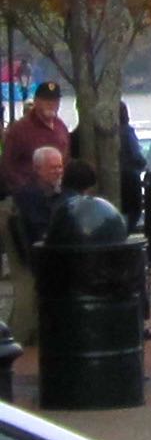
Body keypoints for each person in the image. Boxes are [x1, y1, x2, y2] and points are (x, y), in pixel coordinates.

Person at [7, 145, 66, 351]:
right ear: (38, 169)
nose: (58, 171)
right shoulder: (30, 196)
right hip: (35, 254)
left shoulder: (50, 192)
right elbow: (39, 230)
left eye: (60, 167)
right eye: (53, 168)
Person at [2, 81, 71, 195]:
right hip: (28, 195)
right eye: (46, 101)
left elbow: (66, 159)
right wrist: (22, 189)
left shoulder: (61, 127)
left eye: (55, 101)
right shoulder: (20, 129)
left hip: (58, 192)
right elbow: (7, 165)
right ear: (36, 101)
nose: (51, 104)